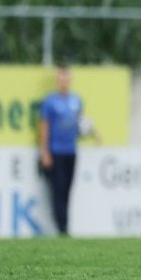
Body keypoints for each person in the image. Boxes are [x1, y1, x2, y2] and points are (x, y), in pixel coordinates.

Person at [39, 64, 97, 236]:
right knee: (57, 189)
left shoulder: (76, 100)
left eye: (66, 77)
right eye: (61, 77)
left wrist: (93, 133)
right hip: (55, 152)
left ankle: (65, 227)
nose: (64, 80)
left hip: (71, 151)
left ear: (70, 79)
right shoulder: (50, 102)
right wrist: (45, 152)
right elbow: (44, 127)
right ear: (57, 79)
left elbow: (80, 124)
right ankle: (62, 229)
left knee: (67, 190)